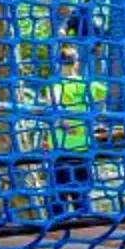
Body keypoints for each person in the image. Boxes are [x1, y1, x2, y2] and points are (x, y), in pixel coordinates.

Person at [47, 43, 108, 217]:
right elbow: (108, 92)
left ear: (59, 64)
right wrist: (97, 116)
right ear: (76, 63)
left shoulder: (56, 84)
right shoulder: (87, 84)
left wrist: (62, 122)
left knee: (57, 198)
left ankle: (57, 235)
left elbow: (53, 106)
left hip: (61, 149)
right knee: (81, 195)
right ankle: (83, 232)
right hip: (81, 147)